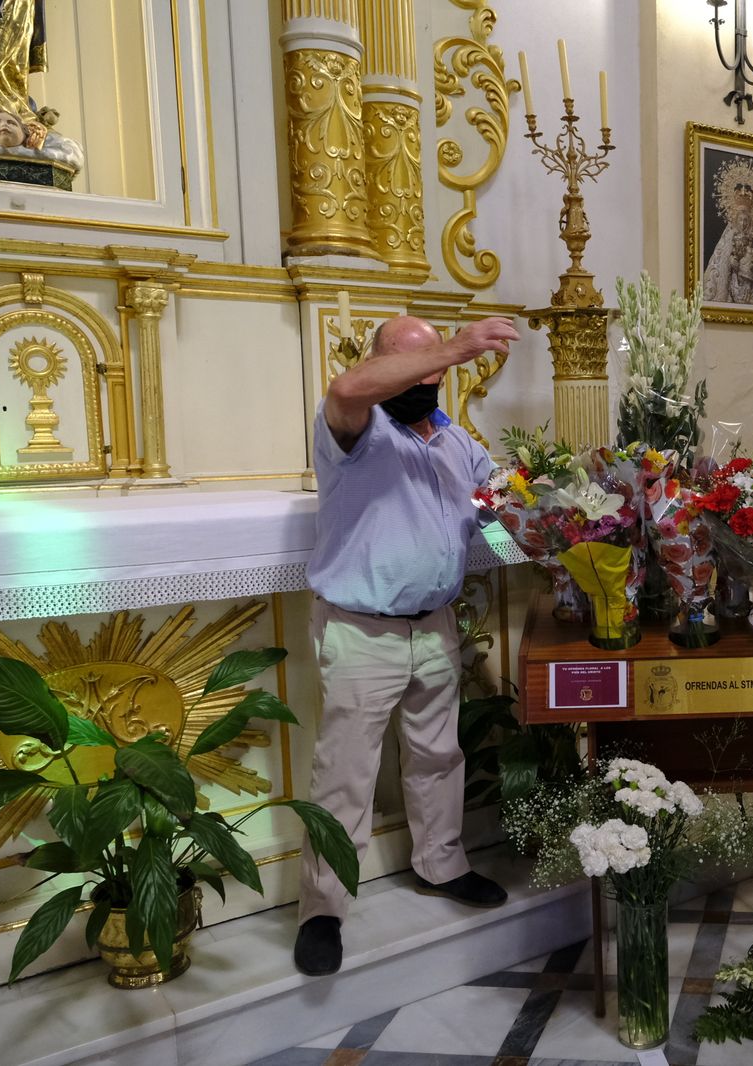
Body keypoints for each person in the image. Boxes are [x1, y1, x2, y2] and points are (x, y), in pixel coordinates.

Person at [294, 313, 520, 977]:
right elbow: (344, 387)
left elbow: (493, 515)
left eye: (438, 369)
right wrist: (454, 342)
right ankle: (323, 909)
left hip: (435, 626)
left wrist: (531, 546)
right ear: (382, 364)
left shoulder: (456, 442)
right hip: (363, 631)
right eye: (416, 365)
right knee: (344, 776)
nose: (431, 377)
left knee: (437, 757)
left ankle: (441, 865)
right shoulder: (354, 433)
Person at [702, 157, 753, 307]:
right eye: (740, 220)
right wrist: (732, 263)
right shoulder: (729, 235)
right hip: (733, 285)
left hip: (751, 286)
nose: (743, 223)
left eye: (746, 220)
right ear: (735, 220)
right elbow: (721, 260)